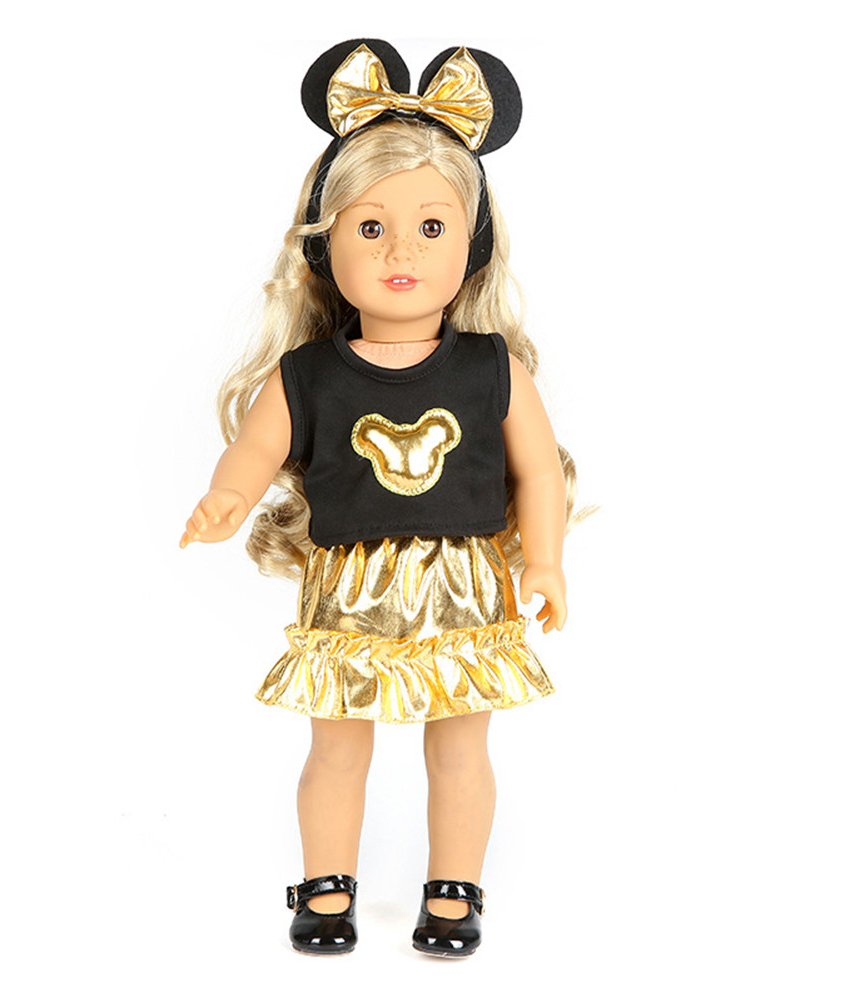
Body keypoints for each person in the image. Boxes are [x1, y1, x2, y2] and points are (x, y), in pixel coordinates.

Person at [180, 39, 587, 957]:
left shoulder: (492, 368)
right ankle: (326, 887)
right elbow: (256, 449)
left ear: (472, 247)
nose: (402, 249)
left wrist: (547, 560)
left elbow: (536, 470)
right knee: (337, 747)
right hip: (349, 588)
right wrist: (226, 496)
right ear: (324, 247)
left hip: (465, 585)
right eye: (370, 228)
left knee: (460, 747)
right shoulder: (308, 374)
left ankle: (455, 889)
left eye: (432, 228)